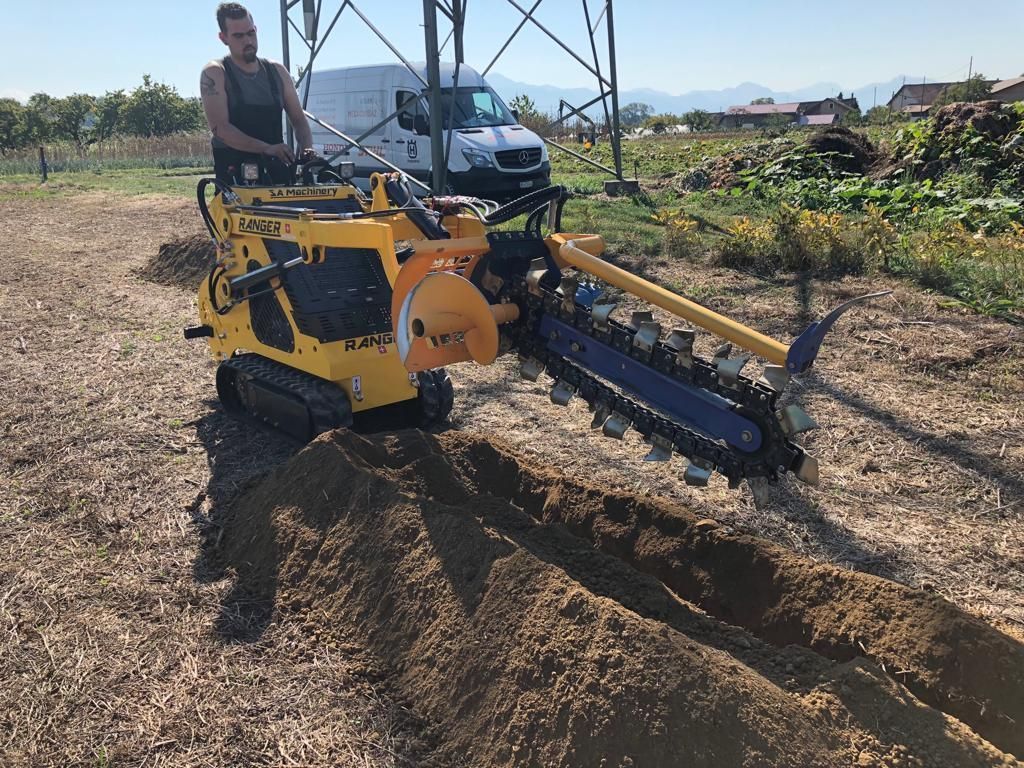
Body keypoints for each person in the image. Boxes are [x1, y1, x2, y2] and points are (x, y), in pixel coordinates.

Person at [200, 2, 314, 183]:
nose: (248, 41)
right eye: (238, 36)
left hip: (277, 174)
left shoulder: (277, 71)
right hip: (235, 178)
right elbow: (220, 129)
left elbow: (299, 121)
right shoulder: (215, 73)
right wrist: (267, 148)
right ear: (223, 38)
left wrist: (306, 153)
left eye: (251, 33)